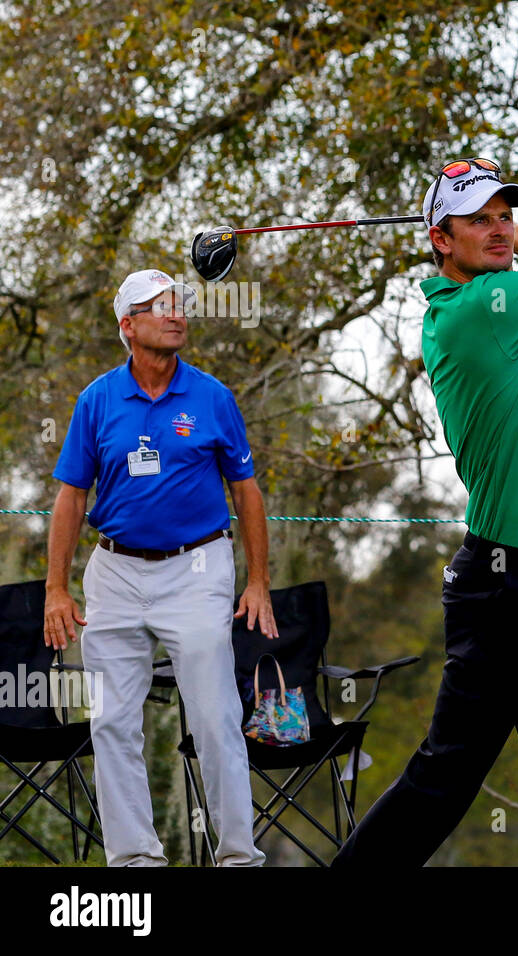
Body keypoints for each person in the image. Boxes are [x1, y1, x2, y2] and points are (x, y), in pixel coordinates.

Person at [332, 157, 518, 868]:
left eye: (505, 215)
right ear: (439, 238)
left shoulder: (490, 301)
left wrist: (493, 236)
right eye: (478, 218)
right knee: (447, 777)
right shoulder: (477, 311)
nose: (498, 229)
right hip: (507, 592)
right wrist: (516, 243)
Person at [44, 268, 277, 866]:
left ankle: (237, 858)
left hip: (196, 569)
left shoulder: (212, 397)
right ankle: (136, 863)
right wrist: (56, 590)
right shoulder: (96, 400)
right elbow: (71, 497)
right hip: (114, 573)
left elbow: (246, 492)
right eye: (159, 306)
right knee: (113, 723)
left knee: (215, 714)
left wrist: (257, 581)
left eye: (179, 304)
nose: (176, 314)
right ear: (128, 325)